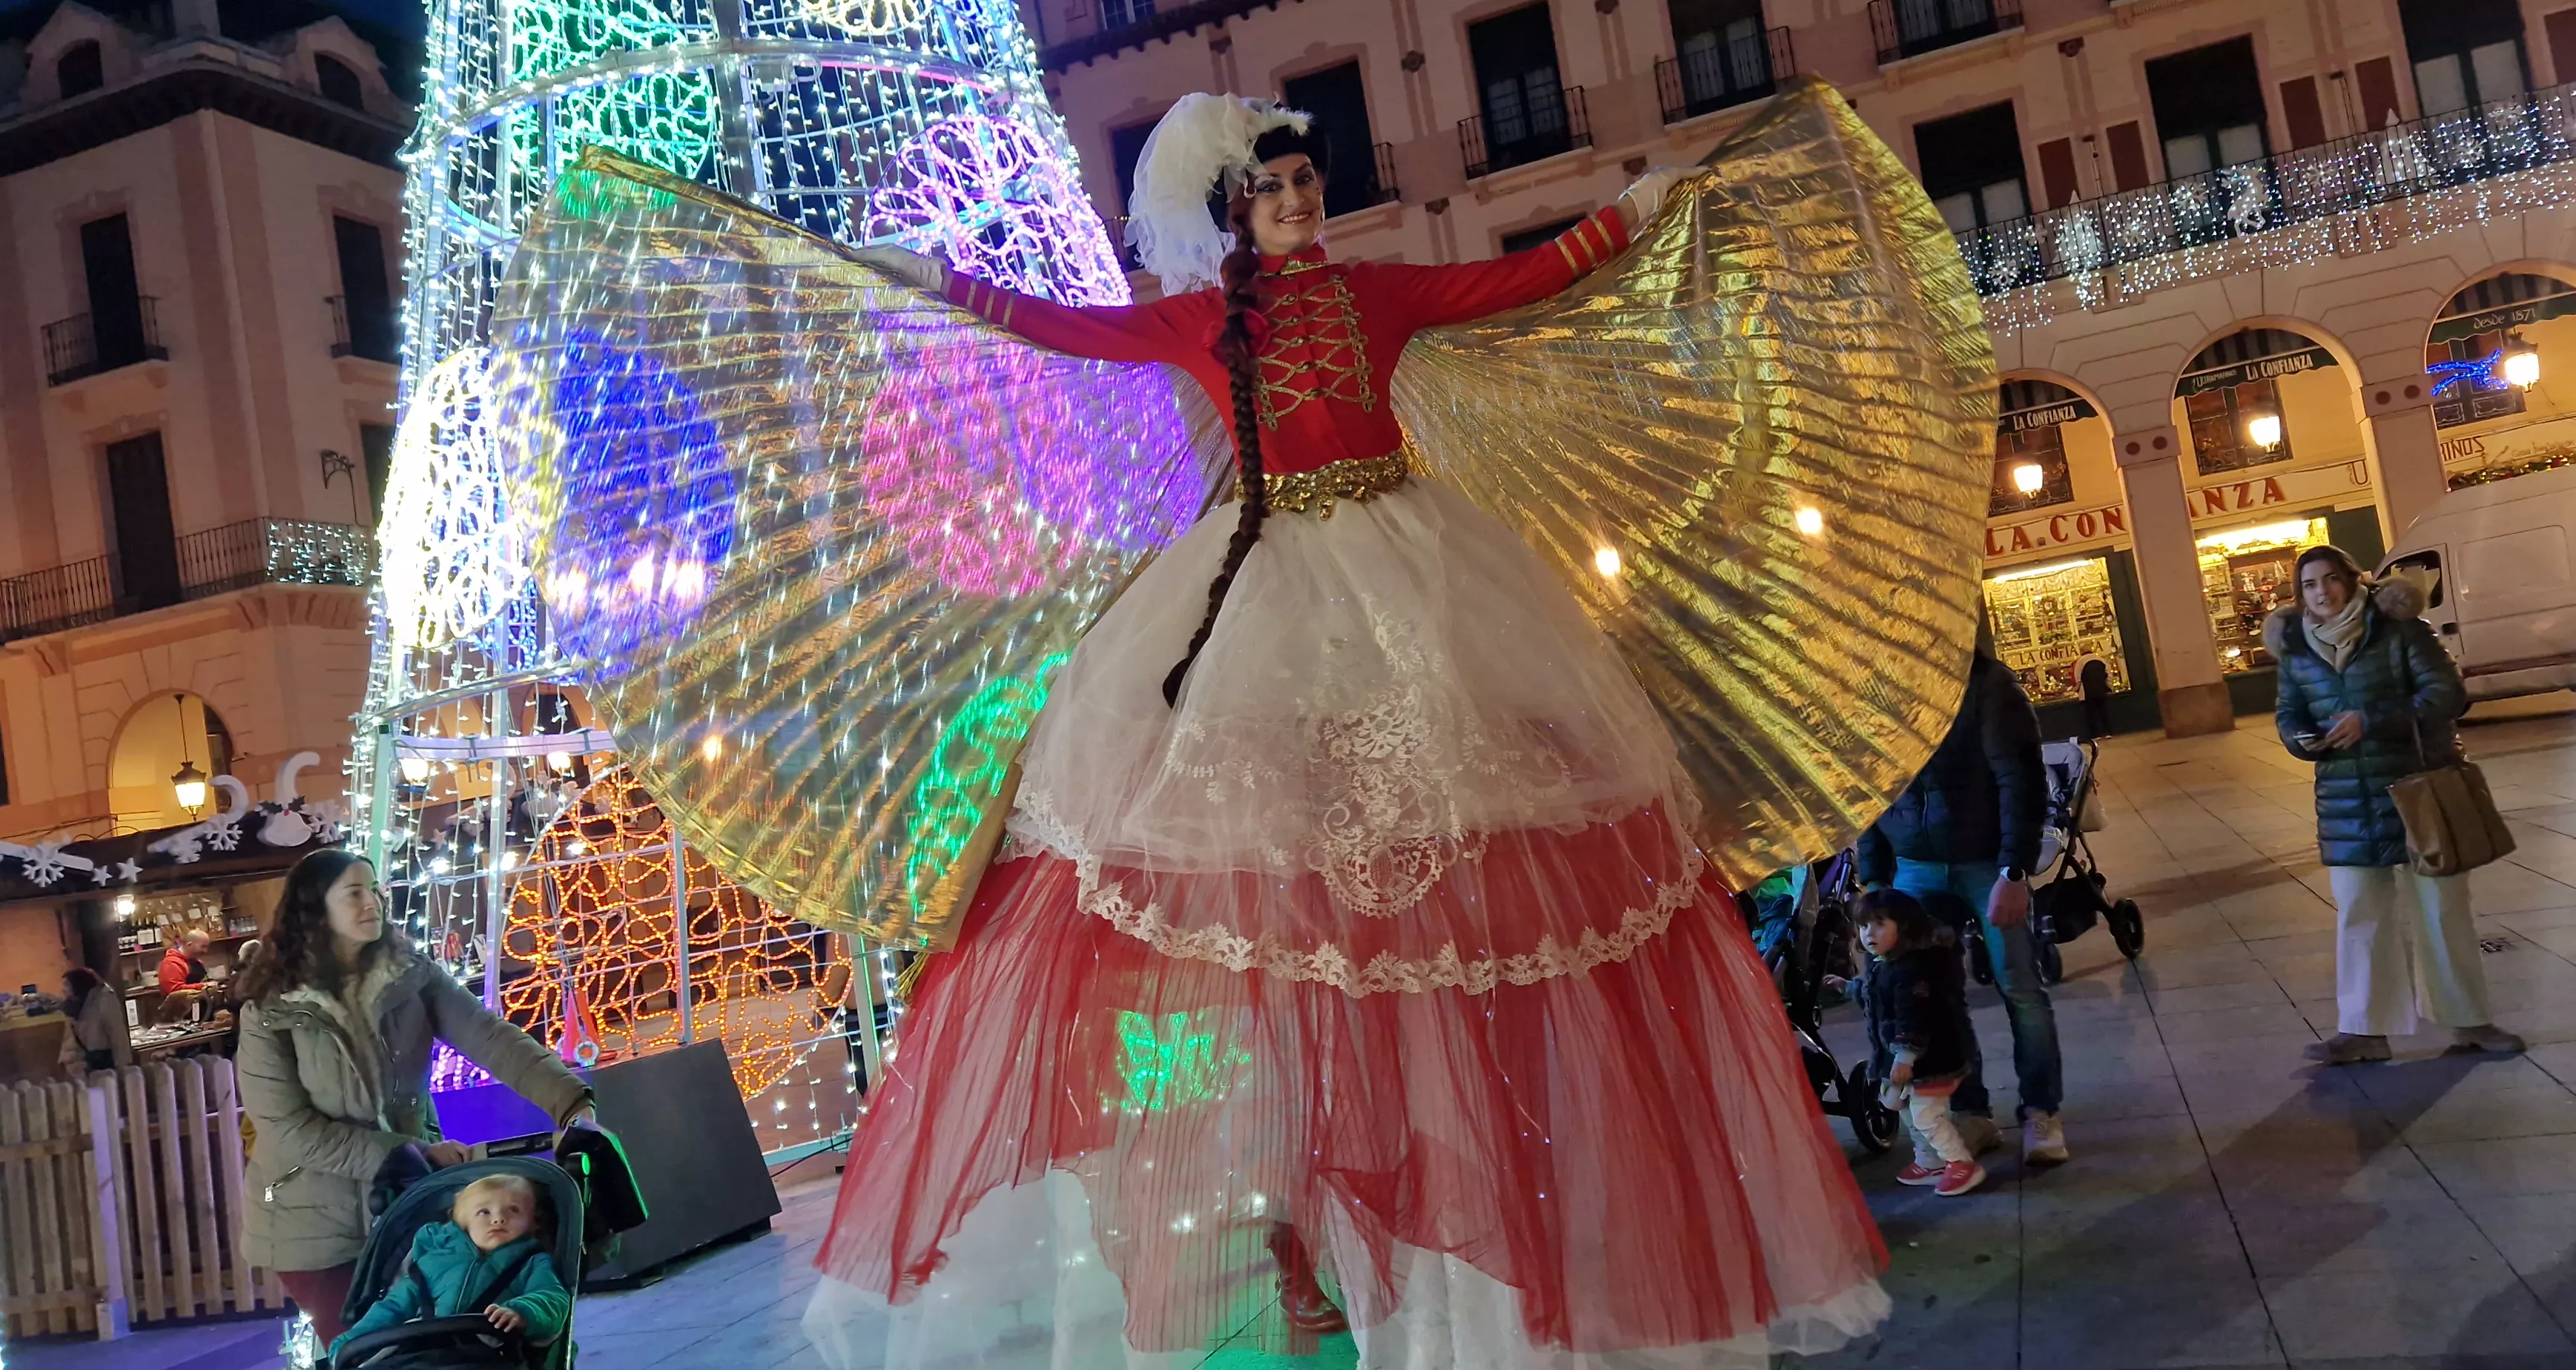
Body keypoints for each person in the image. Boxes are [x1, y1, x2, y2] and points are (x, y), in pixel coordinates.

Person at [764, 93, 1928, 1366]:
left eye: (1311, 181)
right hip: (1264, 592)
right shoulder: (1201, 319)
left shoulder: (1376, 294)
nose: (1304, 201)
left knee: (1461, 846)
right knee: (1274, 869)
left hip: (1417, 577)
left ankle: (1459, 1210)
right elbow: (1069, 330)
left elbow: (1512, 283)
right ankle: (1312, 1208)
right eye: (1278, 190)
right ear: (1236, 212)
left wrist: (1631, 219)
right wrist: (937, 283)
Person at [236, 849, 593, 1347]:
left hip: (411, 1201)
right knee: (368, 1349)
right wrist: (402, 1151)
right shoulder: (270, 1011)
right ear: (315, 910)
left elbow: (490, 1037)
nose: (373, 902)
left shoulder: (409, 977)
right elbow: (287, 1128)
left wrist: (571, 1103)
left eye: (375, 889)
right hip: (312, 1221)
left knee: (443, 1343)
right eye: (354, 893)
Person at [2270, 546, 2524, 1064]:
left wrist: (2373, 718)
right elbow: (2287, 713)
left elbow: (2446, 693)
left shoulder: (2400, 629)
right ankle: (2364, 1029)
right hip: (2348, 799)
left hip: (2419, 788)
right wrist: (2301, 738)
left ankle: (2469, 1021)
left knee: (2442, 909)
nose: (2323, 593)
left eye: (2331, 579)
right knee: (2360, 912)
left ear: (2353, 579)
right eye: (2311, 585)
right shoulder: (2297, 649)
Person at [1854, 625, 2067, 1167]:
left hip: (1985, 862)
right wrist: (1876, 879)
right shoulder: (1878, 691)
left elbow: (2020, 779)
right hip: (1914, 868)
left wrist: (2014, 871)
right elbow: (1870, 787)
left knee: (2019, 985)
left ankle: (2041, 1112)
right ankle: (1971, 1115)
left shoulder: (1987, 685)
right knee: (1934, 997)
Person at [1834, 889, 1984, 1197]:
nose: (1868, 933)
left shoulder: (1914, 972)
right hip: (1903, 1062)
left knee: (1927, 1115)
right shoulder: (1884, 963)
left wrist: (1905, 1057)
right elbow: (1874, 992)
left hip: (1931, 1062)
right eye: (1863, 926)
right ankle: (1929, 1161)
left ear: (1905, 928)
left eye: (1878, 924)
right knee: (1905, 1110)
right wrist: (1849, 988)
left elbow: (1914, 1018)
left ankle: (1960, 1163)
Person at [328, 1174, 571, 1363]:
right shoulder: (432, 1261)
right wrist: (353, 1341)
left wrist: (523, 1312)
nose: (498, 1219)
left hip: (492, 1353)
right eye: (484, 1212)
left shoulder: (532, 1261)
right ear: (461, 1220)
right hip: (423, 1352)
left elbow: (553, 1297)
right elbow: (393, 1307)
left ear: (533, 1222)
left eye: (514, 1210)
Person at [53, 967, 131, 1073]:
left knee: (108, 1088)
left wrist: (123, 1067)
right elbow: (70, 1041)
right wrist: (72, 1064)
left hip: (108, 1064)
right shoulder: (71, 1008)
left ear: (78, 986)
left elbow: (118, 1036)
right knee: (96, 1090)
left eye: (67, 985)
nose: (63, 990)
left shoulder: (104, 1001)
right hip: (87, 1067)